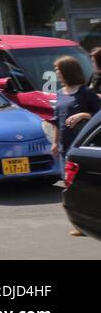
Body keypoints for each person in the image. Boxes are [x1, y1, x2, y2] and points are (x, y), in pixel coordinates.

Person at [51, 55, 101, 236]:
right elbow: (57, 121)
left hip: (82, 145)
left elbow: (98, 115)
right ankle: (81, 222)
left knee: (82, 186)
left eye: (58, 70)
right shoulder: (59, 94)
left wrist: (83, 115)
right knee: (69, 185)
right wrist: (55, 143)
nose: (56, 73)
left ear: (67, 71)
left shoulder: (85, 92)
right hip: (66, 146)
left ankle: (85, 221)